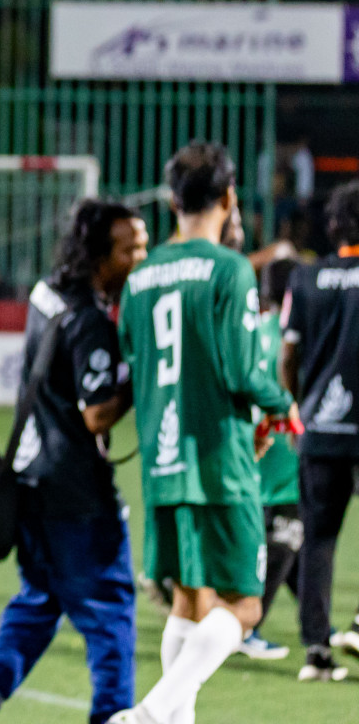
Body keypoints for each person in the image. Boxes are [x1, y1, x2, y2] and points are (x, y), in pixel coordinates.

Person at [110, 141, 298, 724]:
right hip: (219, 457)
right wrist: (282, 404)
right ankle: (149, 714)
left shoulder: (140, 277)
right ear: (229, 197)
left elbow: (135, 363)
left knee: (189, 601)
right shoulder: (229, 268)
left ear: (172, 201)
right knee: (243, 606)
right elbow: (243, 372)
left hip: (163, 460)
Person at [0, 200, 147, 724]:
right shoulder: (90, 319)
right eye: (130, 249)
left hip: (28, 478)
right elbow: (98, 415)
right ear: (99, 255)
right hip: (76, 491)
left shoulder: (46, 292)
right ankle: (113, 715)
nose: (140, 258)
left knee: (39, 599)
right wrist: (141, 375)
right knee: (110, 609)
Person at [281, 178, 359, 681]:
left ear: (333, 226)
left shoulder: (305, 278)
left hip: (320, 426)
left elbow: (287, 355)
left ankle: (316, 650)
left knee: (318, 538)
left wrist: (295, 406)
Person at [236, 257, 302, 661]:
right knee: (287, 531)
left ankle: (317, 620)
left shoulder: (254, 329)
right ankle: (247, 626)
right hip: (284, 440)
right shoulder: (291, 334)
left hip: (251, 439)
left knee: (287, 533)